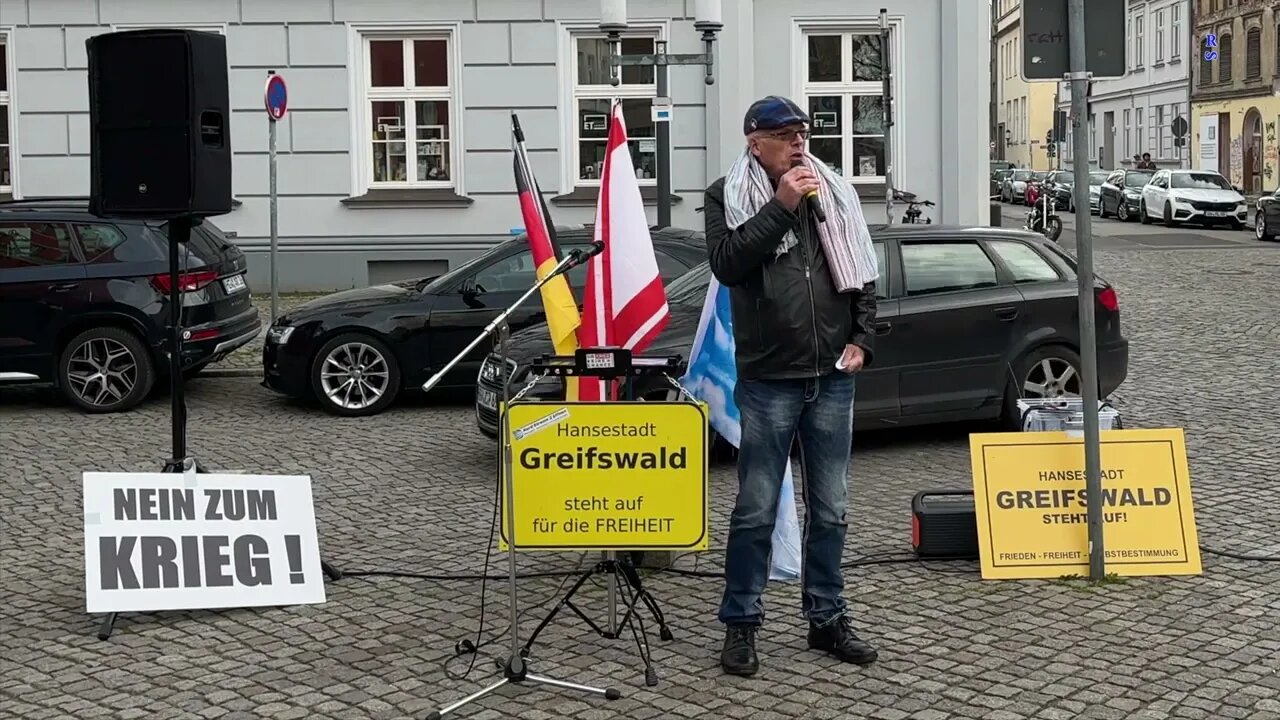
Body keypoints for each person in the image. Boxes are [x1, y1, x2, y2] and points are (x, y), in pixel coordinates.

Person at [702, 95, 881, 677]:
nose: (799, 143)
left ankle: (827, 619)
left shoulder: (834, 191)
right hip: (768, 378)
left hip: (832, 376)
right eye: (785, 134)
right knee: (755, 509)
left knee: (832, 509)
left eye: (802, 132)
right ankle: (741, 625)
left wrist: (862, 339)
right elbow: (728, 264)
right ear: (756, 142)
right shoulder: (725, 196)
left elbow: (861, 277)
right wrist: (780, 205)